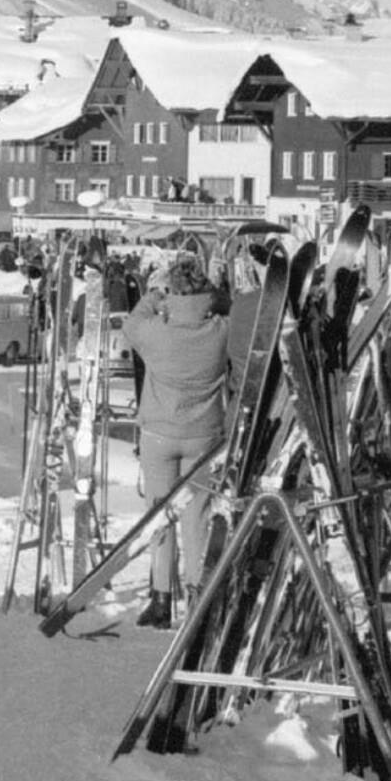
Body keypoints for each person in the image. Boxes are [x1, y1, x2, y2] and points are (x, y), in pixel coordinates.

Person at [122, 256, 237, 629]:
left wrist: (155, 297)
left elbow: (131, 322)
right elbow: (233, 310)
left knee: (160, 515)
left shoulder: (155, 332)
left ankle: (160, 599)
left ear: (172, 291)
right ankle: (195, 596)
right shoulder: (221, 331)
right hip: (204, 434)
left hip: (159, 433)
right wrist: (216, 298)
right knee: (196, 515)